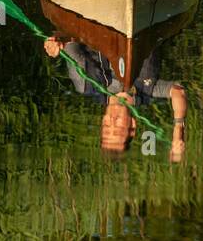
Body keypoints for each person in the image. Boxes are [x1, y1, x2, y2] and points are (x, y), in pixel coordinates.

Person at [43, 36, 188, 162]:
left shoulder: (87, 85)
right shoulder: (146, 91)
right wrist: (177, 132)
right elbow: (178, 92)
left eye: (106, 127)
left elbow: (69, 43)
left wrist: (56, 45)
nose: (111, 120)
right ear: (132, 124)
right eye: (117, 128)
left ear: (102, 121)